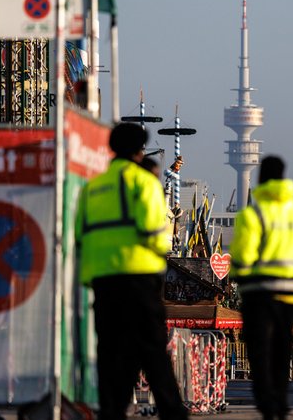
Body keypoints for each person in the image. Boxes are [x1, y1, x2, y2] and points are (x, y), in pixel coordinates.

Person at [75, 122, 187, 420]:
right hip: (139, 280)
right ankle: (173, 413)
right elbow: (154, 232)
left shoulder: (92, 188)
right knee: (153, 355)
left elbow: (78, 236)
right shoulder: (142, 183)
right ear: (140, 150)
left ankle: (111, 412)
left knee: (112, 357)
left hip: (102, 283)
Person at [229, 155, 293, 420]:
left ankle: (265, 402)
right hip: (289, 294)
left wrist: (240, 278)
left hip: (258, 294)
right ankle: (281, 401)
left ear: (261, 179)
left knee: (259, 351)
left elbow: (242, 256)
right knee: (282, 350)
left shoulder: (253, 214)